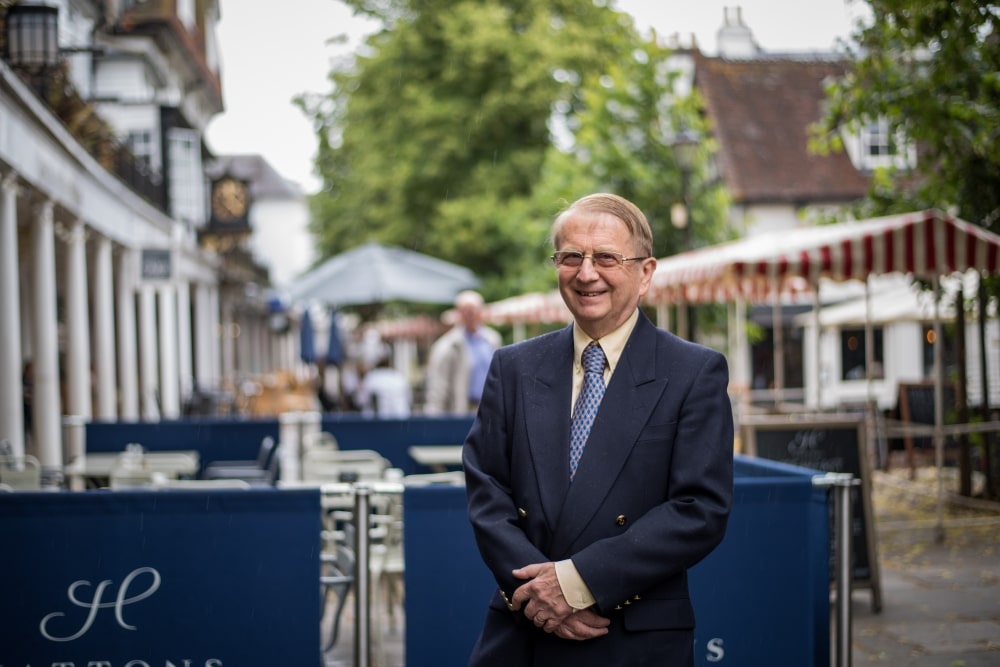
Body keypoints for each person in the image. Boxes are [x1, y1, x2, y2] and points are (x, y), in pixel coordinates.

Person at [463, 193, 734, 667]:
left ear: (645, 272)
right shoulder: (513, 367)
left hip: (630, 636)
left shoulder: (694, 372)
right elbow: (487, 488)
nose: (586, 273)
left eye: (606, 257)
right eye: (571, 257)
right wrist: (538, 596)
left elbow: (699, 509)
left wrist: (575, 583)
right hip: (522, 633)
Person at [424, 290, 502, 415]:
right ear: (458, 312)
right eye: (465, 310)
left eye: (473, 309)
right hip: (462, 410)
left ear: (481, 310)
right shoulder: (447, 345)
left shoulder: (492, 340)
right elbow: (438, 386)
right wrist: (434, 416)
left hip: (490, 409)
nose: (470, 314)